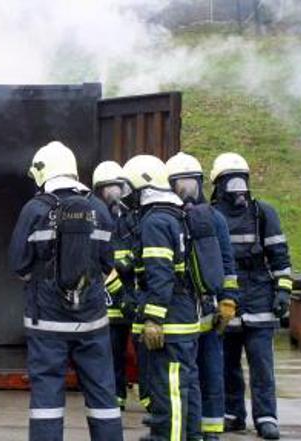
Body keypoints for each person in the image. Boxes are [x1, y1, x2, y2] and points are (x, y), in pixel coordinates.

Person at [9, 141, 123, 441]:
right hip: (92, 322)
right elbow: (107, 263)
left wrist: (43, 281)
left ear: (42, 172)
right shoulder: (98, 208)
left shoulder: (34, 209)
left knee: (47, 400)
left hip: (46, 324)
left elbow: (18, 264)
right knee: (103, 397)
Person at [210, 153, 292, 440]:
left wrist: (283, 291)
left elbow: (280, 256)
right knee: (226, 363)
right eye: (230, 180)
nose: (237, 187)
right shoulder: (211, 216)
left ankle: (266, 418)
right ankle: (232, 415)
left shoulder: (263, 213)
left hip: (259, 297)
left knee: (261, 365)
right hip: (227, 297)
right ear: (218, 185)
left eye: (241, 180)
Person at [121, 154, 199, 441]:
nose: (126, 197)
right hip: (183, 315)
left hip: (170, 321)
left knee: (170, 392)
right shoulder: (174, 216)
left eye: (129, 189)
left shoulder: (155, 222)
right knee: (183, 386)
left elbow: (160, 273)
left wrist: (154, 317)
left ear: (143, 188)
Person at [166, 152, 239, 441]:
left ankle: (212, 430)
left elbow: (227, 262)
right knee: (186, 377)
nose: (187, 190)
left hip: (209, 311)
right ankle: (189, 429)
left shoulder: (214, 219)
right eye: (180, 184)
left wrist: (228, 300)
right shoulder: (168, 219)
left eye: (191, 183)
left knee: (211, 373)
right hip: (181, 313)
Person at [92, 160, 138, 411]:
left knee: (145, 354)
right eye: (108, 189)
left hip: (133, 296)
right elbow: (98, 260)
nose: (114, 195)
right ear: (99, 191)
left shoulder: (133, 218)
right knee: (112, 353)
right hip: (110, 299)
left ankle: (151, 399)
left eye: (117, 188)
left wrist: (131, 261)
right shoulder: (96, 219)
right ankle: (116, 397)